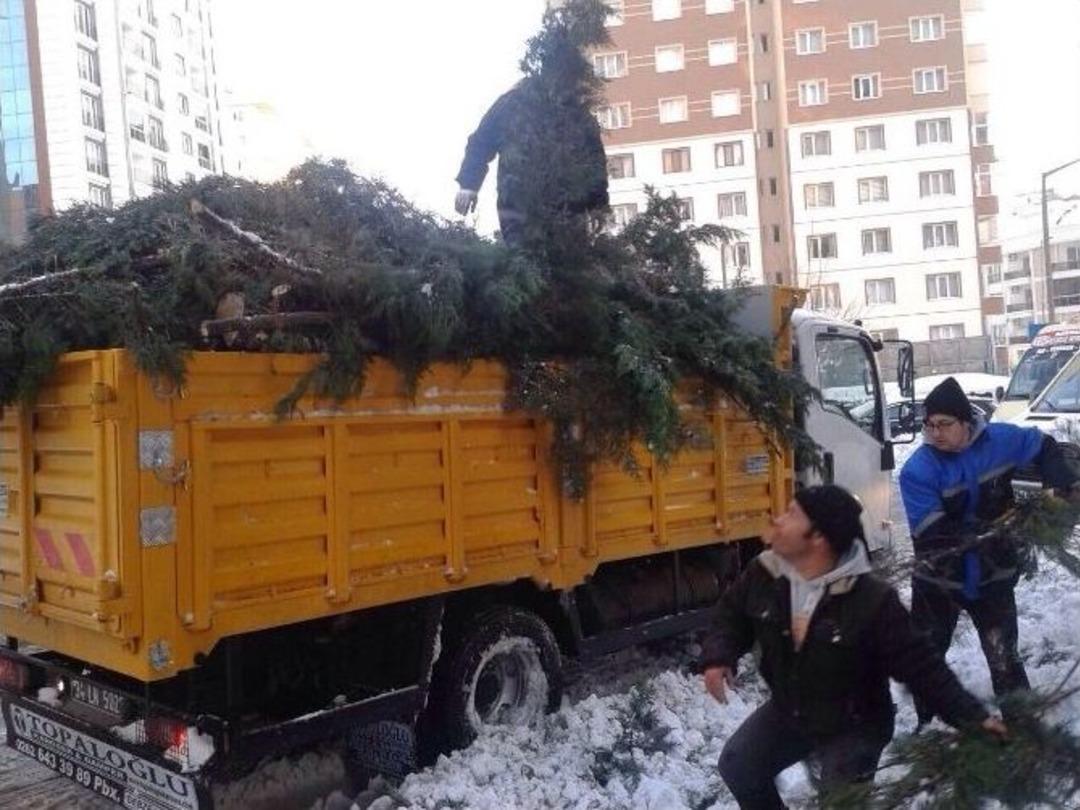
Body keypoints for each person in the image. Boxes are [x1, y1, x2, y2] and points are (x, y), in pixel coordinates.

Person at [700, 484, 1005, 809]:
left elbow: (924, 670)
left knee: (841, 803)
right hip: (794, 707)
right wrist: (719, 656)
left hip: (854, 724)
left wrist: (974, 719)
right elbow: (731, 613)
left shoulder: (872, 601)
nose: (778, 520)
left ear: (817, 538)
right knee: (740, 765)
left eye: (791, 515)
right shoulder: (766, 572)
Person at [899, 376, 1080, 726]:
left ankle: (1023, 727)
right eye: (929, 425)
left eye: (944, 424)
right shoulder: (919, 470)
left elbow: (1043, 445)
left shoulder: (1001, 441)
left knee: (1004, 656)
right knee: (927, 658)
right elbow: (933, 536)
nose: (934, 433)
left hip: (992, 576)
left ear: (966, 423)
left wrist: (1059, 480)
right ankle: (928, 728)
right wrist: (994, 531)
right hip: (939, 580)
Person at [454, 79, 609, 246]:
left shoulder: (575, 110)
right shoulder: (512, 104)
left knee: (567, 262)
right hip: (517, 205)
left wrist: (597, 204)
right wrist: (469, 185)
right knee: (523, 258)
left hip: (568, 208)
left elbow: (594, 160)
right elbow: (481, 142)